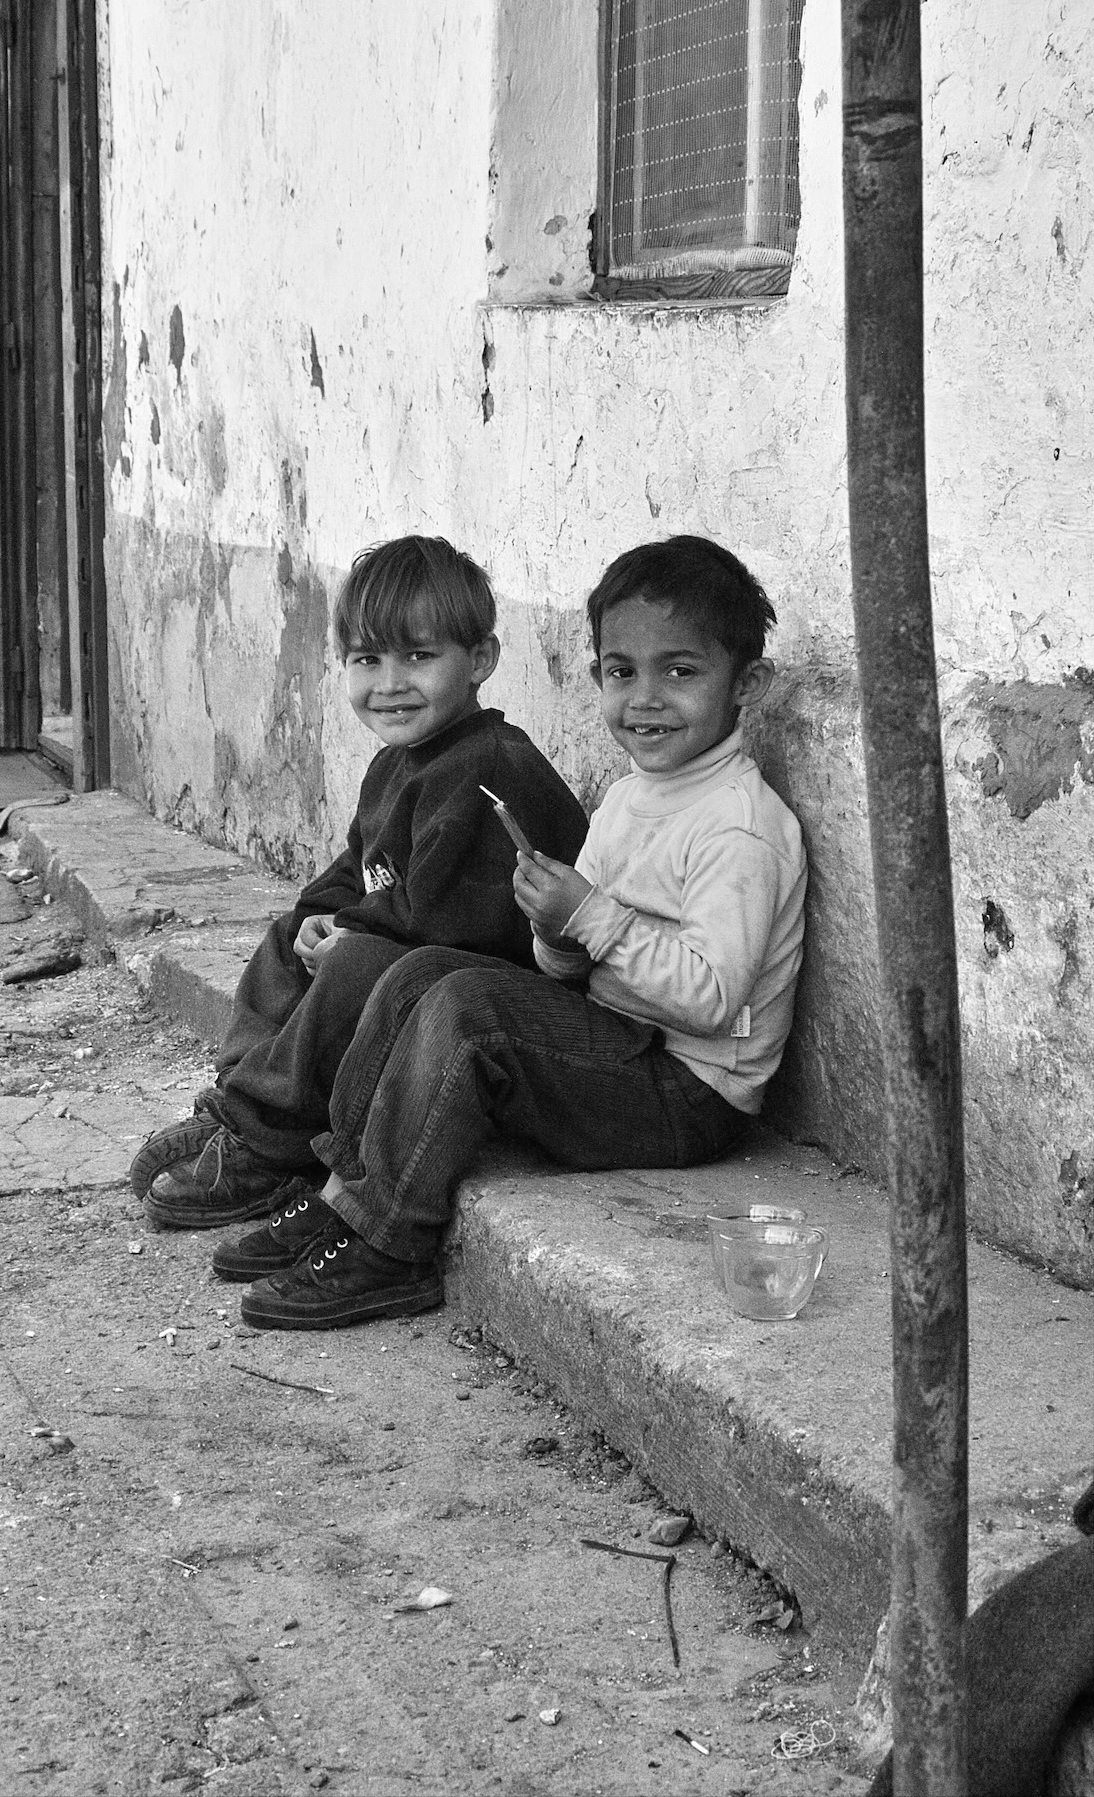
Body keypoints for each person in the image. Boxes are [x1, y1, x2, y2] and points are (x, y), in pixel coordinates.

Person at [219, 533, 809, 1329]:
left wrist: (590, 918)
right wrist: (555, 933)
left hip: (690, 1095)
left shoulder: (739, 826)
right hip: (620, 1043)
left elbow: (709, 1000)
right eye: (621, 672)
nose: (645, 699)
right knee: (420, 973)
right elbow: (571, 969)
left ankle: (390, 1245)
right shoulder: (633, 796)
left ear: (748, 684)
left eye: (680, 672)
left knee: (469, 1008)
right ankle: (343, 1193)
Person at [130, 534, 589, 1276]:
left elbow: (451, 919)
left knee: (355, 962)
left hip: (481, 996)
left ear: (481, 660)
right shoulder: (396, 763)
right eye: (367, 659)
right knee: (289, 937)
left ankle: (274, 1143)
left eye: (419, 657)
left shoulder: (489, 768)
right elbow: (360, 867)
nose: (390, 683)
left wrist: (349, 934)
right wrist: (323, 914)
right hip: (411, 950)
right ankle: (240, 1110)